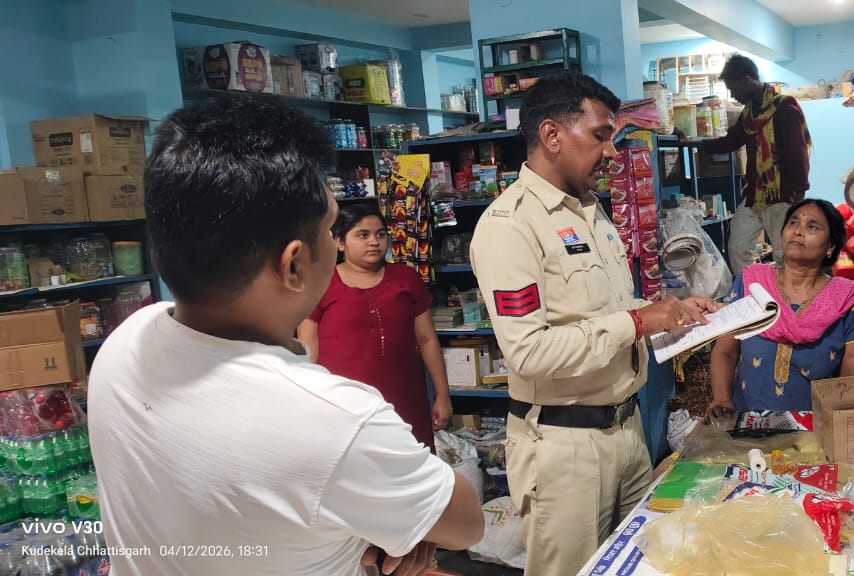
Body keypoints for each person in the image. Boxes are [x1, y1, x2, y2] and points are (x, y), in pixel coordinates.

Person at [88, 94, 483, 576]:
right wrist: (389, 528)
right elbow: (465, 523)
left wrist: (351, 530)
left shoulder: (124, 343)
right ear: (293, 264)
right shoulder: (338, 421)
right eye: (331, 229)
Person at [469, 70, 720, 576]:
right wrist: (637, 321)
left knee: (640, 564)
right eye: (601, 136)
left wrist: (672, 315)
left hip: (626, 430)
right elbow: (529, 351)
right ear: (552, 135)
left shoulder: (590, 212)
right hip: (565, 450)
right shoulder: (509, 226)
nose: (611, 153)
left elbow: (607, 312)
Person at [298, 203, 452, 451]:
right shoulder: (321, 284)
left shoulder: (405, 278)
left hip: (405, 402)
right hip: (344, 408)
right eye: (363, 235)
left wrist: (442, 394)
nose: (374, 242)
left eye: (380, 234)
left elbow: (427, 340)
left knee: (413, 464)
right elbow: (308, 355)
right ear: (340, 242)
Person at [708, 199, 854, 418]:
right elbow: (726, 352)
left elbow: (853, 377)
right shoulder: (751, 284)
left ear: (830, 246)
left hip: (814, 428)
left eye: (812, 227)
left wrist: (843, 425)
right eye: (793, 223)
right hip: (747, 424)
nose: (798, 231)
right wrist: (722, 401)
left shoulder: (845, 299)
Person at [684, 53, 812, 275]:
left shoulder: (784, 108)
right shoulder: (749, 114)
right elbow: (731, 141)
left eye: (733, 88)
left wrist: (797, 196)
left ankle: (790, 293)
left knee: (784, 253)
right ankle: (755, 291)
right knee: (737, 247)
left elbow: (798, 155)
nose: (733, 95)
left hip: (783, 193)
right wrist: (695, 144)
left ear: (746, 79)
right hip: (755, 193)